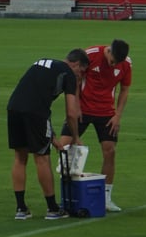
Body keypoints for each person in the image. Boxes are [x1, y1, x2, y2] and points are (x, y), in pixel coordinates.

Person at [7, 49, 89, 220]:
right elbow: (71, 113)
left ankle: (21, 208)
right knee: (42, 157)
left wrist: (53, 139)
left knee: (20, 157)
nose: (80, 76)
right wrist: (75, 137)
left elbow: (32, 95)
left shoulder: (42, 61)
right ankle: (52, 208)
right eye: (81, 71)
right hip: (36, 112)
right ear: (75, 64)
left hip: (13, 107)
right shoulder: (68, 74)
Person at [55, 39, 131, 212]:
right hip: (83, 109)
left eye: (117, 64)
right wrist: (76, 106)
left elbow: (125, 89)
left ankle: (106, 197)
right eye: (112, 62)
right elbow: (76, 77)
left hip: (106, 113)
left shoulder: (126, 64)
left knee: (110, 151)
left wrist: (117, 115)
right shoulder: (91, 54)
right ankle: (67, 194)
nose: (114, 65)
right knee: (64, 146)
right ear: (109, 51)